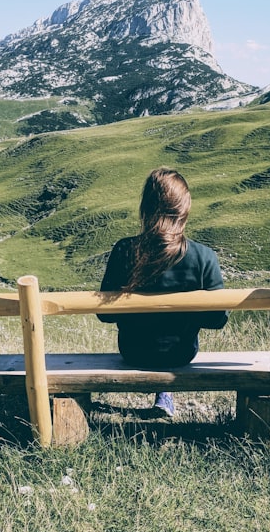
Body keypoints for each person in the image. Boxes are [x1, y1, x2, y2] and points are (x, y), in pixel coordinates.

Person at [98, 167, 228, 418]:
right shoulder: (203, 257)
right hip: (181, 354)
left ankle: (162, 396)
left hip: (133, 351)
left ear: (145, 208)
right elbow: (218, 319)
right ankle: (164, 397)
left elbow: (105, 315)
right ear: (184, 209)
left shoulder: (125, 251)